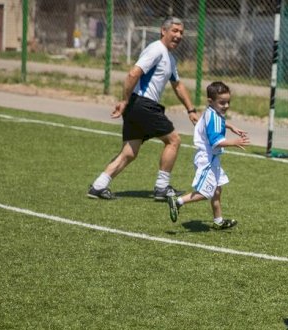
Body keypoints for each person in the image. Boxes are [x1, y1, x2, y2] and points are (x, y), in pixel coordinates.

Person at [87, 17, 198, 201]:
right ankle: (162, 188)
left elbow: (178, 85)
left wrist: (191, 110)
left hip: (137, 105)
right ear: (164, 31)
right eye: (175, 31)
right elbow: (134, 73)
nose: (179, 35)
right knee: (174, 140)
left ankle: (98, 186)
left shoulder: (169, 57)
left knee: (129, 153)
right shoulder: (156, 49)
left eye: (181, 33)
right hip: (143, 104)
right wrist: (124, 100)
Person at [167, 81, 250, 229]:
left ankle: (218, 221)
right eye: (222, 102)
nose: (226, 106)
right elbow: (215, 142)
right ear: (210, 101)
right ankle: (177, 201)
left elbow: (216, 123)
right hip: (207, 159)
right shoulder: (215, 117)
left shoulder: (211, 112)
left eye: (228, 102)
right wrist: (234, 142)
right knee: (206, 193)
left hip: (212, 159)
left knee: (217, 189)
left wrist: (230, 126)